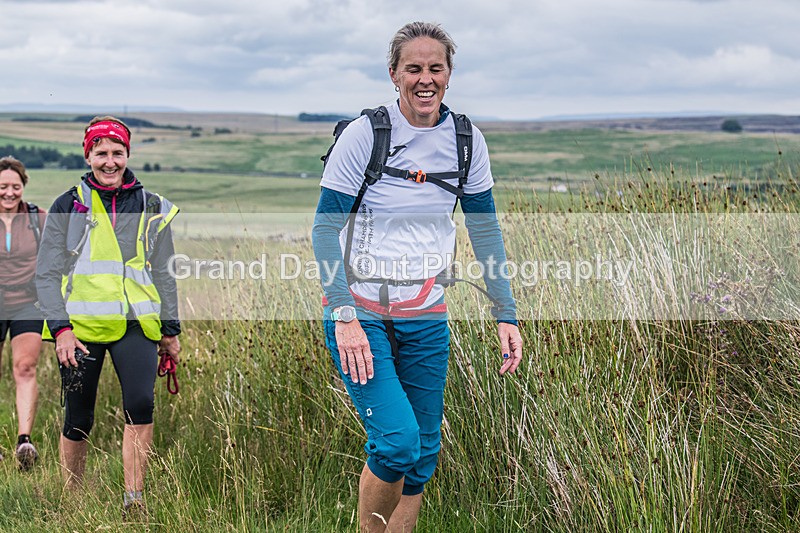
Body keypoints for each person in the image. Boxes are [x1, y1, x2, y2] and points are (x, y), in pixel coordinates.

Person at [312, 21, 523, 532]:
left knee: (424, 451)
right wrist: (343, 317)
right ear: (394, 74)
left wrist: (506, 313)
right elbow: (323, 231)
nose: (424, 79)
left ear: (449, 75)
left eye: (436, 68)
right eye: (414, 69)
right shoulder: (367, 135)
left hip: (426, 314)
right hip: (360, 312)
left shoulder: (468, 141)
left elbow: (485, 232)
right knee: (397, 440)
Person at [36, 116, 181, 514]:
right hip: (79, 328)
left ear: (127, 154)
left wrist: (170, 332)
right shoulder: (69, 205)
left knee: (140, 403)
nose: (110, 161)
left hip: (136, 324)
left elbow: (166, 273)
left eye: (118, 152)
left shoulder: (152, 205)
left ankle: (134, 500)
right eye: (101, 153)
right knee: (78, 415)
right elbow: (45, 275)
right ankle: (73, 499)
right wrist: (61, 331)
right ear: (89, 155)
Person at [0, 156, 46, 470]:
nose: (9, 193)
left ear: (23, 186)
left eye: (15, 186)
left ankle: (24, 442)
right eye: (3, 186)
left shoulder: (37, 218)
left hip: (28, 302)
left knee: (25, 367)